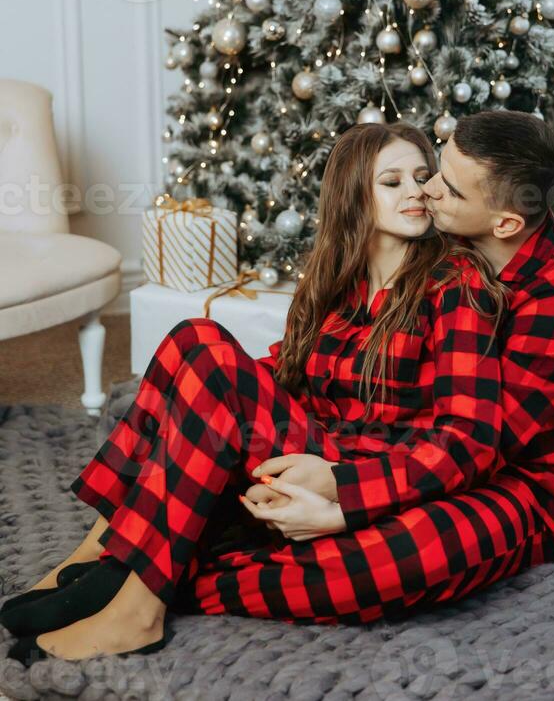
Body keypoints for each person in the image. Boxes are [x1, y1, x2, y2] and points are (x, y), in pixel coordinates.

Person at [2, 121, 510, 664]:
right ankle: (101, 553)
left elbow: (467, 438)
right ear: (353, 196)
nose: (416, 191)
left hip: (357, 474)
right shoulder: (336, 280)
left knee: (210, 357)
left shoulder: (457, 284)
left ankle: (139, 611)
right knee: (194, 340)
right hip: (305, 447)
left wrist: (337, 482)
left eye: (421, 176)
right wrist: (211, 382)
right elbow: (287, 371)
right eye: (392, 182)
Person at [421, 110, 554, 549]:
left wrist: (345, 488)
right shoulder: (454, 238)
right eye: (438, 169)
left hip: (521, 482)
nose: (427, 189)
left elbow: (477, 447)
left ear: (505, 223)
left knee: (393, 552)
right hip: (426, 447)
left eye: (449, 190)